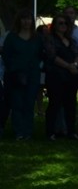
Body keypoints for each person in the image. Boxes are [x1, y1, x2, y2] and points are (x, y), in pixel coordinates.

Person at [1, 9, 45, 140]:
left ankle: (28, 131)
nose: (26, 22)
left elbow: (41, 54)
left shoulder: (37, 38)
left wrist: (37, 66)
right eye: (24, 19)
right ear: (19, 21)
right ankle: (18, 131)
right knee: (17, 103)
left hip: (32, 74)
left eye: (29, 19)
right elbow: (6, 55)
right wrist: (13, 69)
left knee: (29, 103)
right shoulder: (12, 37)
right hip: (15, 75)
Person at [42, 13, 78, 140]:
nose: (63, 25)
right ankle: (51, 132)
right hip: (56, 75)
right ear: (54, 25)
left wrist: (74, 65)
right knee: (54, 103)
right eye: (60, 23)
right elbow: (52, 56)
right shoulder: (50, 39)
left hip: (71, 76)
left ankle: (71, 131)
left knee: (71, 104)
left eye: (66, 23)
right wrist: (68, 66)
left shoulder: (72, 40)